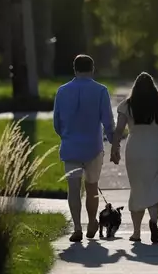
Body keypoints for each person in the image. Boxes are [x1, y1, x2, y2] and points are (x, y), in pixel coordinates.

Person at [110, 72, 158, 244]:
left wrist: (115, 147)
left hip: (135, 149)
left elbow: (119, 130)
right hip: (156, 147)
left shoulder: (126, 105)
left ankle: (136, 233)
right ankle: (154, 222)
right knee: (156, 186)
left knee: (137, 188)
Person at [53, 54, 117, 242]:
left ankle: (77, 228)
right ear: (92, 68)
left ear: (74, 69)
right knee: (92, 188)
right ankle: (91, 223)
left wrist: (65, 136)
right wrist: (114, 144)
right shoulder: (100, 91)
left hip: (71, 147)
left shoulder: (62, 91)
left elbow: (57, 122)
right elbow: (108, 122)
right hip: (93, 148)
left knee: (73, 189)